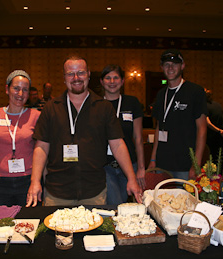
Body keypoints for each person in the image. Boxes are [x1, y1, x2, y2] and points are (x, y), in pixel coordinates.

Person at [26, 55, 142, 207]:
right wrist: (35, 182)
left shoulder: (103, 107)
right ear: (64, 77)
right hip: (57, 192)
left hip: (94, 192)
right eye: (70, 73)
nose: (76, 78)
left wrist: (132, 178)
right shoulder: (51, 108)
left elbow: (118, 144)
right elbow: (41, 147)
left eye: (80, 72)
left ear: (88, 74)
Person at [0, 70, 41, 206]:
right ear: (7, 89)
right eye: (16, 88)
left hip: (27, 181)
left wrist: (39, 181)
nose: (20, 94)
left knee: (29, 223)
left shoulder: (36, 116)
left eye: (25, 90)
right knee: (0, 224)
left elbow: (41, 151)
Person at [148, 49, 207, 180]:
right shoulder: (161, 94)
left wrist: (196, 163)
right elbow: (158, 128)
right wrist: (153, 158)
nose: (170, 68)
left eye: (174, 64)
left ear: (182, 66)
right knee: (162, 199)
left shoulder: (195, 91)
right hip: (162, 163)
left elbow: (202, 129)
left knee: (185, 200)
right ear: (161, 67)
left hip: (185, 165)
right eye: (166, 64)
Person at [100, 64, 146, 205]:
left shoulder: (132, 103)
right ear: (101, 82)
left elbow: (138, 138)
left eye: (116, 78)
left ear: (122, 81)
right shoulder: (96, 105)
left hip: (129, 165)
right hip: (105, 166)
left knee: (126, 203)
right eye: (108, 78)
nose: (112, 82)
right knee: (116, 204)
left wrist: (141, 168)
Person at [205, 89, 223, 159]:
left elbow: (208, 123)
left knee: (209, 160)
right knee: (218, 159)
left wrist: (218, 130)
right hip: (219, 138)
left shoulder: (204, 106)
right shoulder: (218, 105)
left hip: (209, 137)